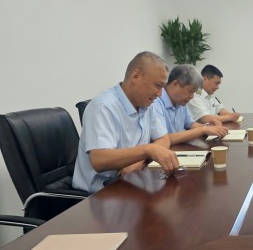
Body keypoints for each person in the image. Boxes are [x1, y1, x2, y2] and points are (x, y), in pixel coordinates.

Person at [73, 51, 180, 193]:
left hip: (132, 183)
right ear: (136, 76)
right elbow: (100, 160)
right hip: (101, 193)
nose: (160, 94)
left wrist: (139, 160)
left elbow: (163, 139)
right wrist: (148, 149)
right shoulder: (104, 107)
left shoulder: (148, 104)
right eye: (157, 85)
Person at [153, 64, 228, 144]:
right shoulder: (155, 102)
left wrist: (209, 127)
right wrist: (203, 129)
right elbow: (163, 139)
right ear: (175, 84)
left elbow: (191, 124)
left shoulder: (180, 101)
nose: (192, 96)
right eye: (190, 91)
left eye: (194, 92)